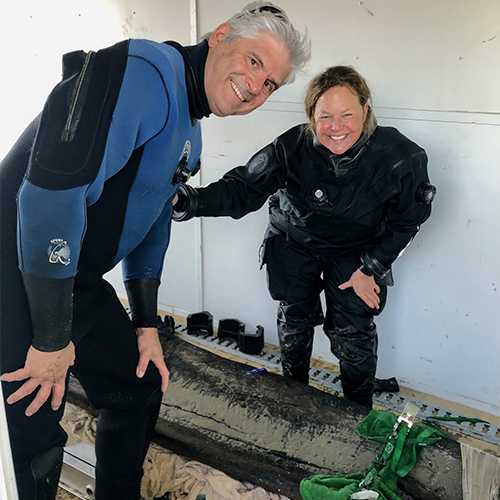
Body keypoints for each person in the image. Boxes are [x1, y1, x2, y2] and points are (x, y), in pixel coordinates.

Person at [0, 3, 310, 499]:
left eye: (271, 83)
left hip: (72, 281)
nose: (257, 86)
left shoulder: (191, 131)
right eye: (254, 62)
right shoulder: (140, 71)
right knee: (32, 435)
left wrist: (145, 325)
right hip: (15, 272)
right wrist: (54, 340)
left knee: (138, 387)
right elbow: (47, 201)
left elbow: (154, 219)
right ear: (222, 35)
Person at [173, 65, 436, 409]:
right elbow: (244, 188)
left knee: (352, 331)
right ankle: (292, 395)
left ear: (366, 111)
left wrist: (371, 267)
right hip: (294, 240)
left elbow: (408, 220)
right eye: (325, 116)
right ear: (312, 116)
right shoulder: (291, 147)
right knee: (294, 319)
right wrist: (188, 201)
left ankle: (357, 411)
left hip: (356, 251)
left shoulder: (401, 157)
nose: (336, 127)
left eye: (347, 115)